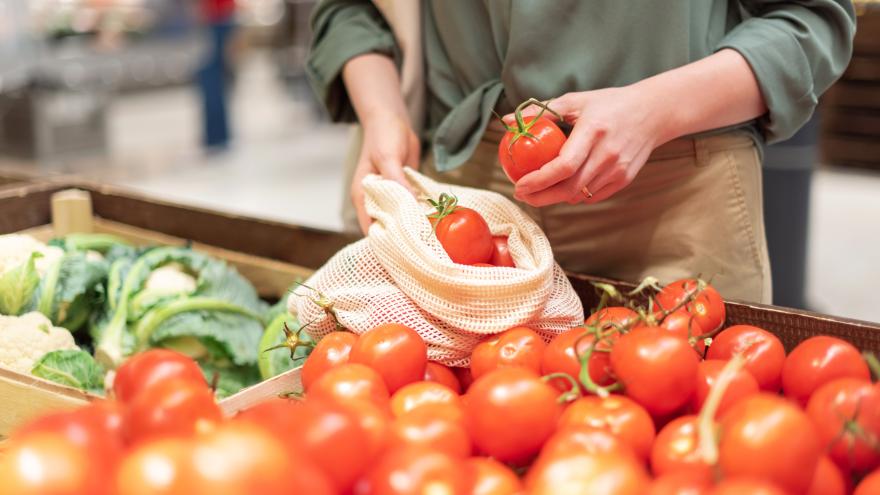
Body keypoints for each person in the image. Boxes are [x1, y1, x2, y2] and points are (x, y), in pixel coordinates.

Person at [306, 1, 855, 304]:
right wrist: (384, 113)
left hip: (673, 199)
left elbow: (811, 21)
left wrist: (656, 109)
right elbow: (353, 9)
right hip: (462, 195)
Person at [197, 0, 236, 149]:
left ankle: (216, 136)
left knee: (212, 82)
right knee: (216, 82)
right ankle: (218, 135)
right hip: (221, 18)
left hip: (214, 20)